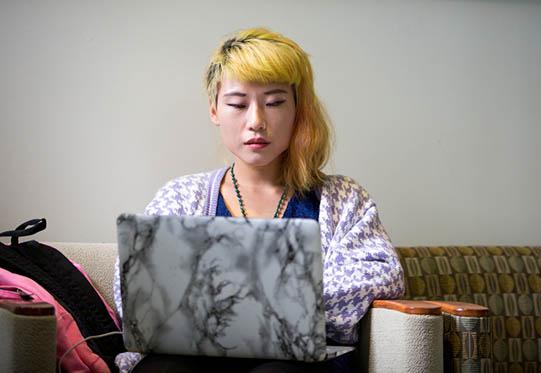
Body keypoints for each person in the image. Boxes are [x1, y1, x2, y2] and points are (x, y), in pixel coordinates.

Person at [113, 27, 404, 373]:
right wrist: (282, 297)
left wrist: (231, 298)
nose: (256, 122)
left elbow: (382, 275)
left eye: (275, 102)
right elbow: (133, 289)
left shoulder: (342, 199)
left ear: (298, 108)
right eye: (237, 104)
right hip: (195, 358)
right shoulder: (181, 196)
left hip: (299, 361)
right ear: (215, 111)